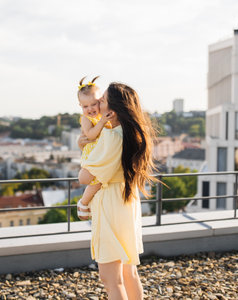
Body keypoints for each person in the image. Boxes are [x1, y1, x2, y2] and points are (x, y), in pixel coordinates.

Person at [77, 82, 156, 300]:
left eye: (101, 100)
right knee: (129, 272)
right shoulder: (131, 135)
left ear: (112, 110)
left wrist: (83, 150)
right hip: (127, 201)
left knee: (111, 279)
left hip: (110, 205)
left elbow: (84, 177)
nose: (96, 104)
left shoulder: (111, 137)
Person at [76, 76, 112, 220]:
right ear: (80, 106)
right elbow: (90, 135)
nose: (90, 109)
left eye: (93, 104)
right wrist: (103, 122)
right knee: (96, 182)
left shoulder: (101, 116)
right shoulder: (86, 119)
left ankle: (87, 203)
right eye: (85, 106)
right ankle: (84, 202)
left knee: (99, 182)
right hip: (92, 156)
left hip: (100, 155)